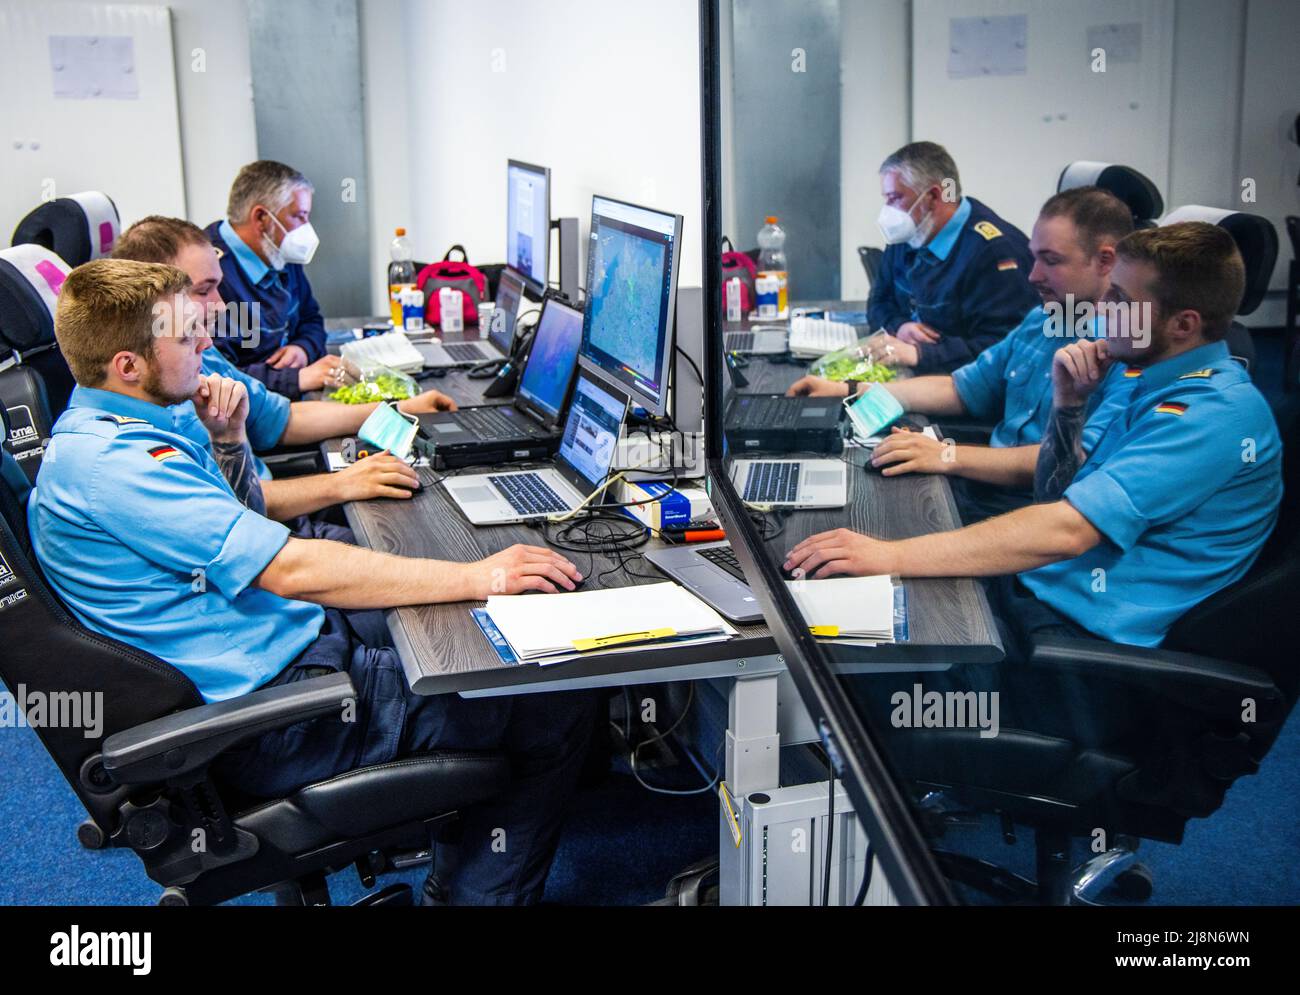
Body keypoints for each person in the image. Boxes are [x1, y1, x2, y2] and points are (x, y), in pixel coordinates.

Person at [30, 258, 595, 905]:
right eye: (187, 337)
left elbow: (239, 529)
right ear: (128, 366)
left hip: (272, 654)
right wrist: (479, 572)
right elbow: (289, 565)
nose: (209, 345)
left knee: (469, 634)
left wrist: (230, 441)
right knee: (545, 693)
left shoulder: (125, 425)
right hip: (269, 720)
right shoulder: (118, 467)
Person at [785, 222, 1282, 658]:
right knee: (834, 613)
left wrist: (889, 555)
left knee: (855, 664)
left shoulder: (1211, 413)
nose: (1104, 310)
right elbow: (1056, 490)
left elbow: (1069, 529)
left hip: (1079, 647)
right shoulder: (1152, 380)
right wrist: (1068, 406)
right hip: (1041, 590)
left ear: (1183, 324)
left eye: (1121, 301)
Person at [791, 186, 1137, 521]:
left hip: (1030, 510)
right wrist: (850, 390)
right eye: (1034, 257)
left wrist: (946, 454)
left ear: (1105, 261)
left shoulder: (1127, 350)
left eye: (1051, 261)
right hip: (982, 483)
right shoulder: (1047, 319)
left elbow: (1072, 461)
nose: (1033, 275)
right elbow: (960, 389)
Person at [113, 216, 457, 528]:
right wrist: (342, 484)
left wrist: (400, 410)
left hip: (279, 518)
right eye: (203, 290)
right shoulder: (150, 409)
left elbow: (282, 418)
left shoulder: (204, 353)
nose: (219, 304)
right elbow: (229, 511)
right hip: (273, 532)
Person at [866, 141, 1038, 374]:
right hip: (918, 374)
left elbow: (1006, 348)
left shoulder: (994, 253)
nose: (887, 210)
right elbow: (878, 302)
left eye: (895, 197)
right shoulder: (908, 234)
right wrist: (900, 327)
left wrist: (921, 354)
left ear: (934, 196)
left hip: (967, 391)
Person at [205, 160, 330, 398]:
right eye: (299, 216)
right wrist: (295, 379)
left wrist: (303, 348)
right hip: (245, 411)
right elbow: (213, 375)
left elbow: (311, 318)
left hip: (286, 396)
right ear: (262, 217)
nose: (306, 229)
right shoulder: (209, 275)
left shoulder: (278, 254)